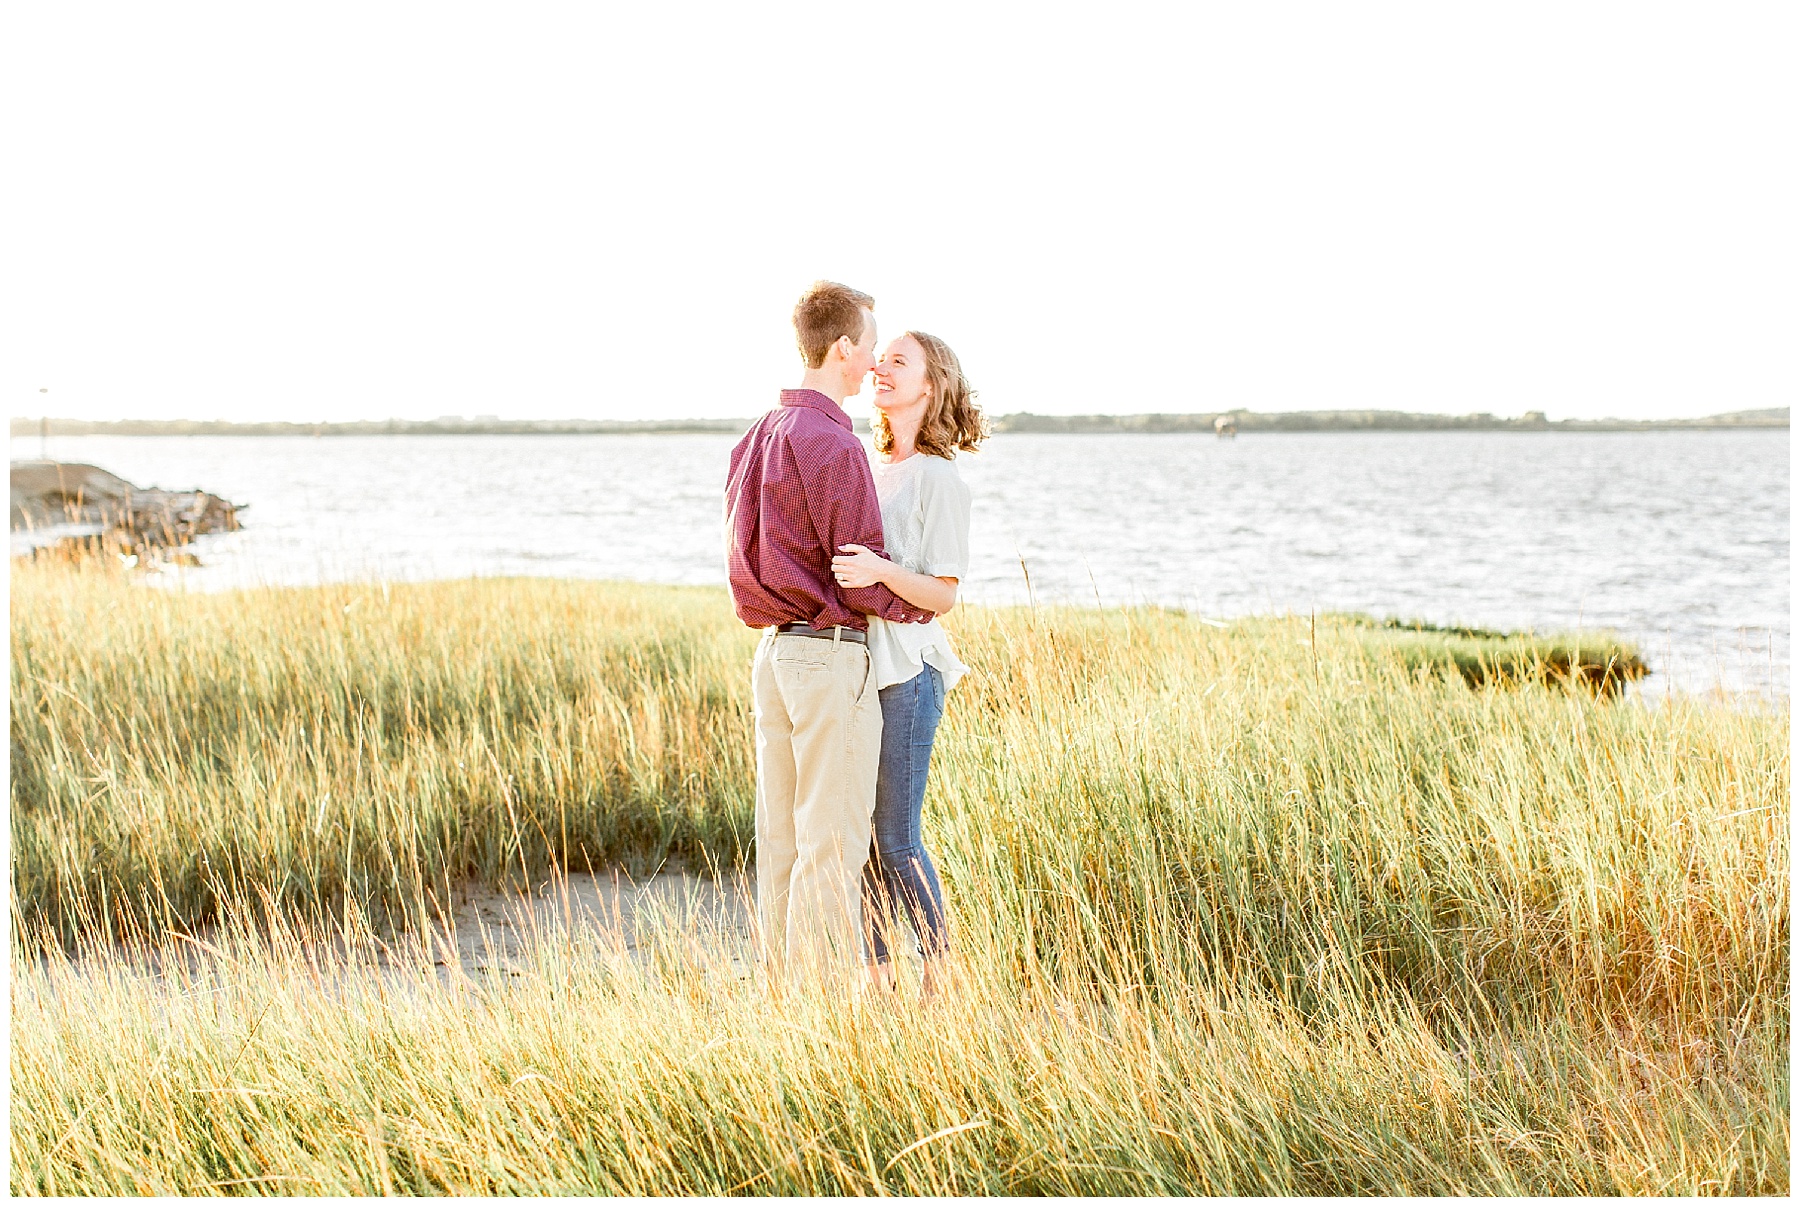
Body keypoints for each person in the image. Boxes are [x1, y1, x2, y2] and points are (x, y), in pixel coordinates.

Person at [723, 281, 933, 985]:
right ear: (843, 349)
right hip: (828, 657)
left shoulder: (754, 437)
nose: (874, 362)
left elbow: (740, 563)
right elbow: (860, 576)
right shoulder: (836, 445)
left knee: (779, 838)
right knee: (833, 842)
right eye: (870, 348)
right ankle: (819, 1011)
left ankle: (784, 994)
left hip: (772, 655)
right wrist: (922, 605)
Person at [830, 330, 985, 999]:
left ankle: (939, 970)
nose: (882, 368)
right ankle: (876, 973)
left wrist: (878, 569)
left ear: (931, 384)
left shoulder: (939, 478)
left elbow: (945, 592)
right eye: (880, 357)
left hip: (910, 676)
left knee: (896, 835)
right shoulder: (864, 462)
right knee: (858, 836)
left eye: (900, 361)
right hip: (859, 674)